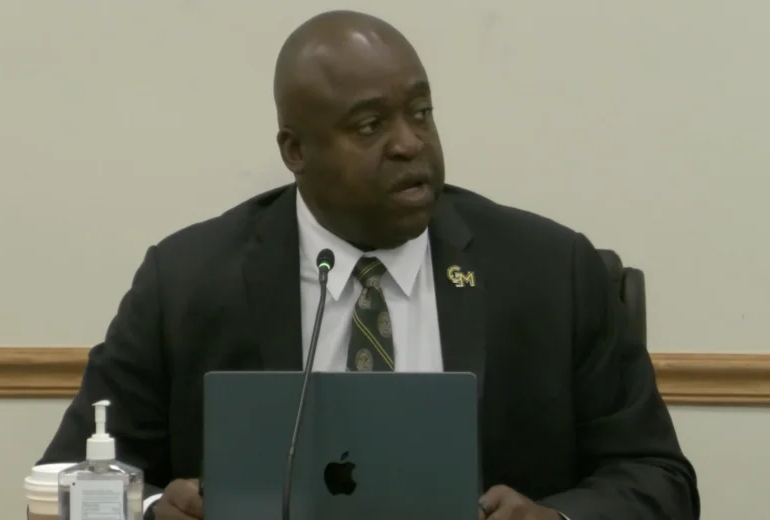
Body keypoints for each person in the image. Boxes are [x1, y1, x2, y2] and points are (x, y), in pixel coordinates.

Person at [37, 9, 700, 520]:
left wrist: (556, 518)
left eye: (421, 112)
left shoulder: (553, 273)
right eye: (369, 125)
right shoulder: (186, 282)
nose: (410, 143)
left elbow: (660, 479)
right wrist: (155, 509)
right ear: (295, 151)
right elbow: (62, 478)